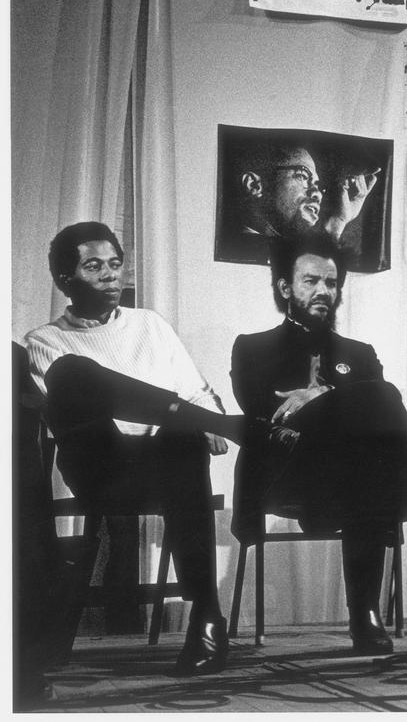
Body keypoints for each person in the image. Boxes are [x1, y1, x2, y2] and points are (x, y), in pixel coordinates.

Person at [230, 232, 407, 654]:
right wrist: (336, 403)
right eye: (311, 281)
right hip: (283, 475)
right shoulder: (253, 348)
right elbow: (262, 416)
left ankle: (368, 617)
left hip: (351, 478)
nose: (324, 290)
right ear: (285, 287)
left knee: (372, 459)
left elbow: (382, 428)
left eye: (332, 282)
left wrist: (323, 399)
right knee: (379, 401)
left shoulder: (359, 353)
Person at [23, 222, 242, 676]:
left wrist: (201, 417)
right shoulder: (43, 341)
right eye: (93, 265)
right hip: (101, 464)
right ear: (66, 279)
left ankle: (206, 616)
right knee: (74, 373)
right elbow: (73, 410)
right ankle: (219, 427)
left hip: (164, 465)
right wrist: (211, 422)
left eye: (116, 264)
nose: (110, 276)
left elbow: (194, 387)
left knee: (182, 438)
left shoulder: (150, 325)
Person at [226, 139, 378, 263]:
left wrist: (337, 222)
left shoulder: (280, 253)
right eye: (303, 176)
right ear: (254, 185)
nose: (317, 194)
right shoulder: (234, 249)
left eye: (318, 186)